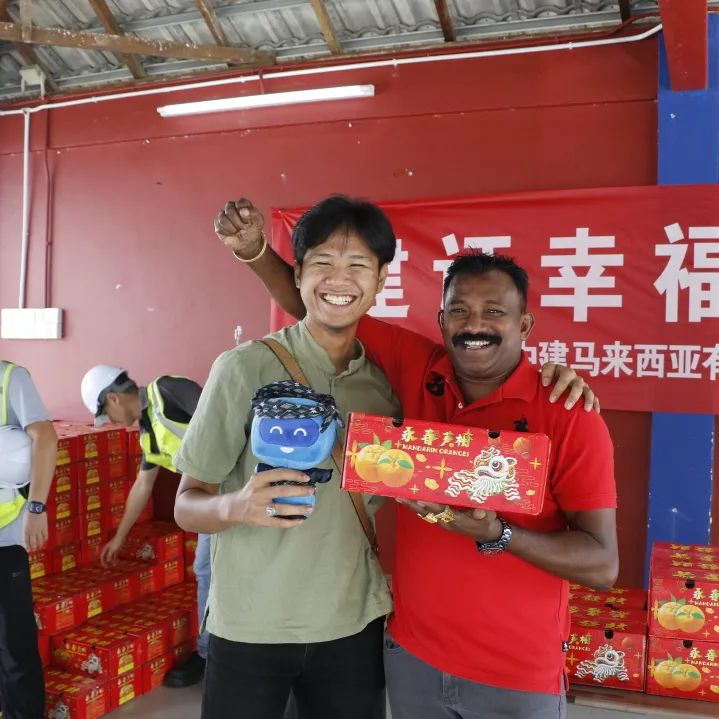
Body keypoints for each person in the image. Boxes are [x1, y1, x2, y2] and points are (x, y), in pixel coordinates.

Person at [219, 200, 617, 719]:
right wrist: (254, 252)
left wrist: (499, 534)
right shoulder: (418, 367)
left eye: (495, 312)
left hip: (515, 674)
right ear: (442, 320)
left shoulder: (567, 414)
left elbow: (602, 565)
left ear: (525, 324)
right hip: (411, 658)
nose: (475, 325)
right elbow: (322, 306)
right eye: (460, 311)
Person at [80, 366, 206, 688]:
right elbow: (143, 484)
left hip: (239, 493)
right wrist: (119, 538)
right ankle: (210, 654)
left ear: (113, 398)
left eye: (105, 413)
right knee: (205, 571)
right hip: (211, 506)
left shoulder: (167, 390)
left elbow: (222, 419)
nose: (109, 420)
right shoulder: (147, 432)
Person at [0, 360, 57, 719]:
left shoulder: (10, 378)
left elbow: (45, 437)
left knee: (13, 640)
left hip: (4, 536)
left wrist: (36, 507)